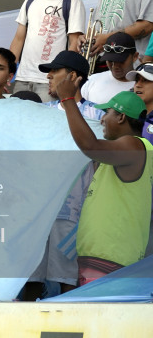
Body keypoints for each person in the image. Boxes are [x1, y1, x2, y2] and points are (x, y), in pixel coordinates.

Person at [55, 81, 151, 286]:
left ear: (121, 116)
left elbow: (90, 146)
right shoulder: (126, 152)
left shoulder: (134, 144)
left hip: (109, 260)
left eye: (106, 113)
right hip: (106, 259)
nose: (102, 120)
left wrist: (68, 100)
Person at [10, 0, 85, 97]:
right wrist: (8, 72)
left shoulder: (73, 1)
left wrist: (61, 79)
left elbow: (74, 45)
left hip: (49, 81)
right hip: (22, 77)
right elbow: (18, 39)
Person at [40, 51, 103, 119]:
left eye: (55, 70)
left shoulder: (98, 114)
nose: (48, 76)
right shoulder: (42, 109)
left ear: (72, 76)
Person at [81, 32, 137, 104]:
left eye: (120, 61)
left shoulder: (142, 88)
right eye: (110, 61)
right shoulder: (93, 80)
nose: (115, 66)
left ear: (135, 56)